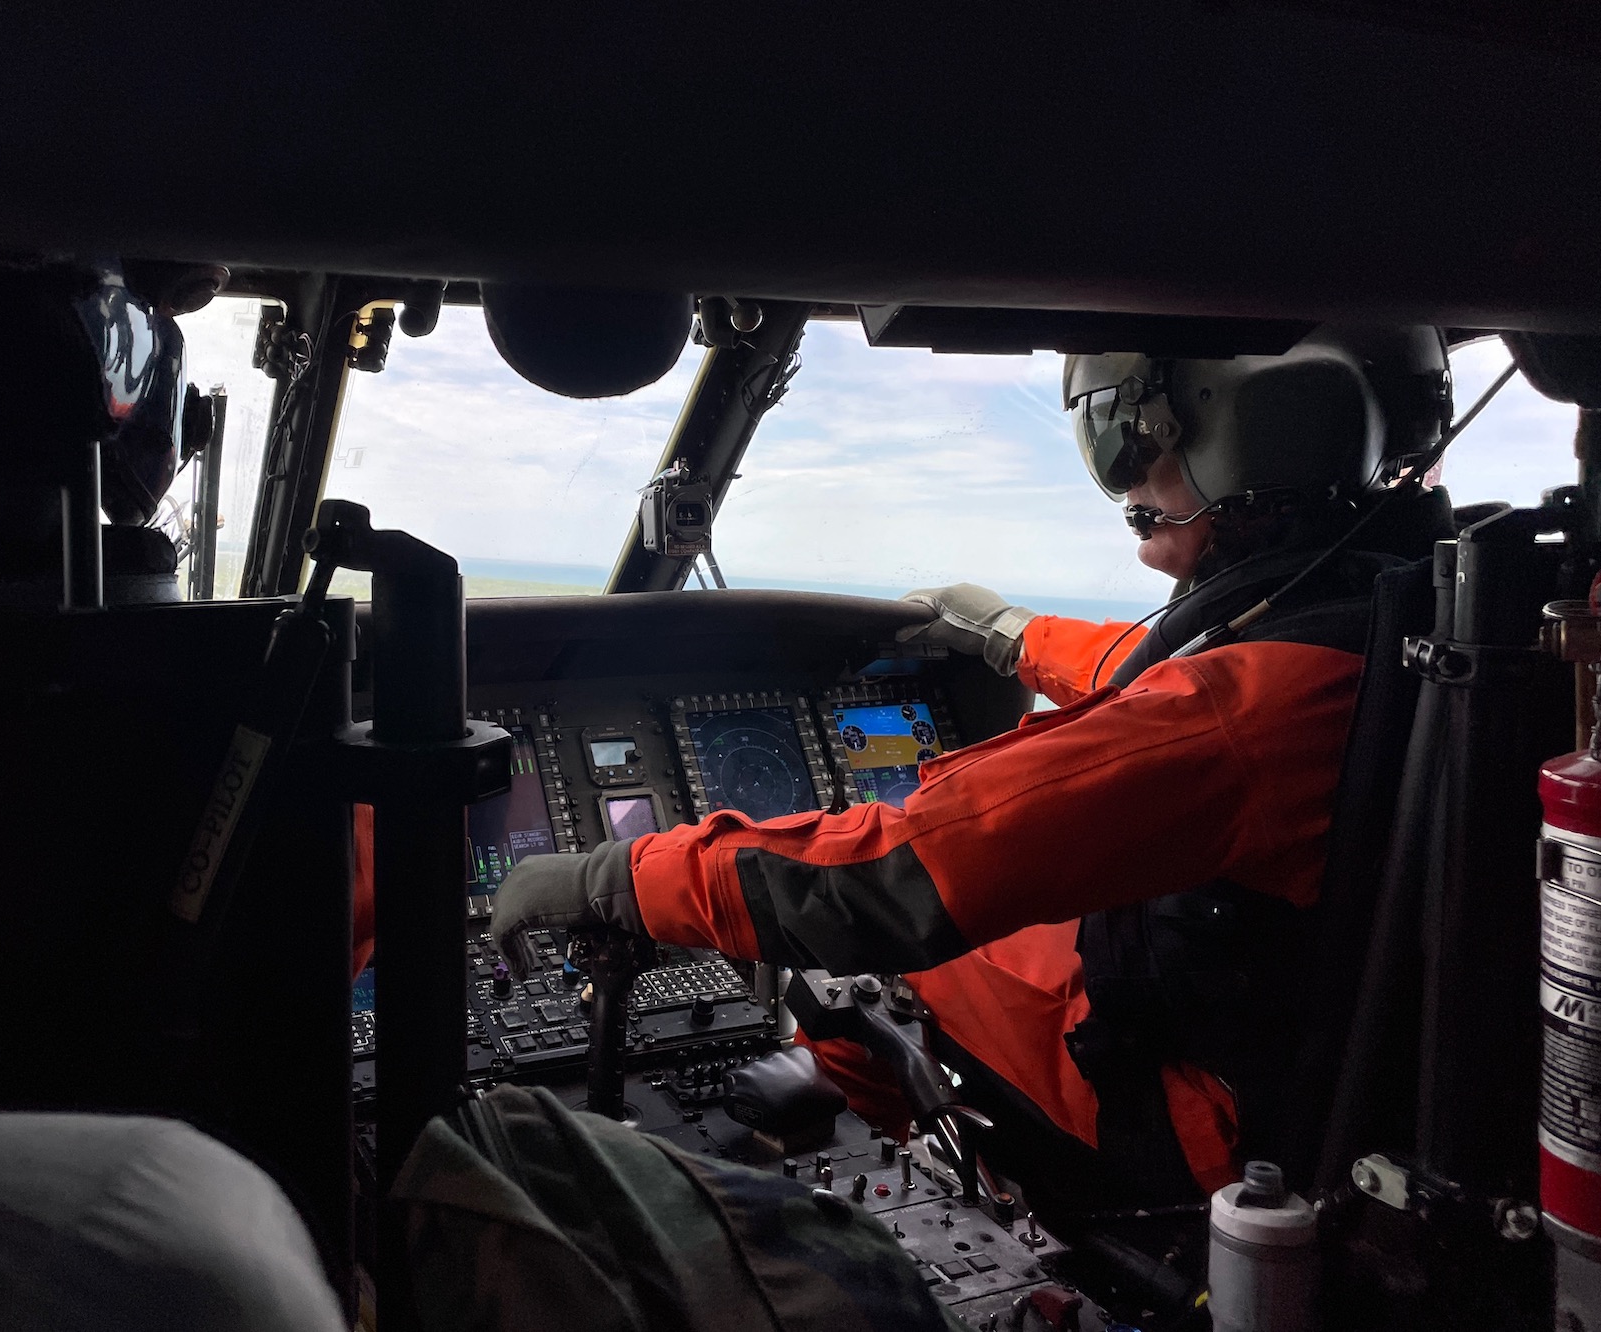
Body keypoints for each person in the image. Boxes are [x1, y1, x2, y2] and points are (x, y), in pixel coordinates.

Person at [490, 324, 1455, 1206]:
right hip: (1335, 1082)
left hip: (1220, 1134)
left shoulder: (1242, 715)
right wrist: (1010, 635)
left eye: (1132, 437)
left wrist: (617, 874)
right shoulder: (1393, 618)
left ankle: (894, 1168)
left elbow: (890, 877)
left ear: (1242, 438)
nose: (1127, 480)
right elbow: (1162, 680)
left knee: (880, 966)